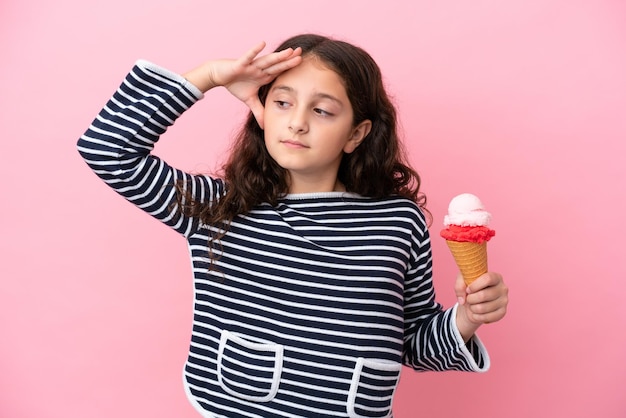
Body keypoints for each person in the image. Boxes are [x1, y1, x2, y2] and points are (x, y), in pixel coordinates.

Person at [77, 33, 508, 418]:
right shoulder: (221, 206)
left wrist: (467, 318)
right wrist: (208, 76)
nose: (297, 121)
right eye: (282, 102)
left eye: (322, 111)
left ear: (356, 134)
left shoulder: (397, 222)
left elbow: (412, 342)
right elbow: (106, 148)